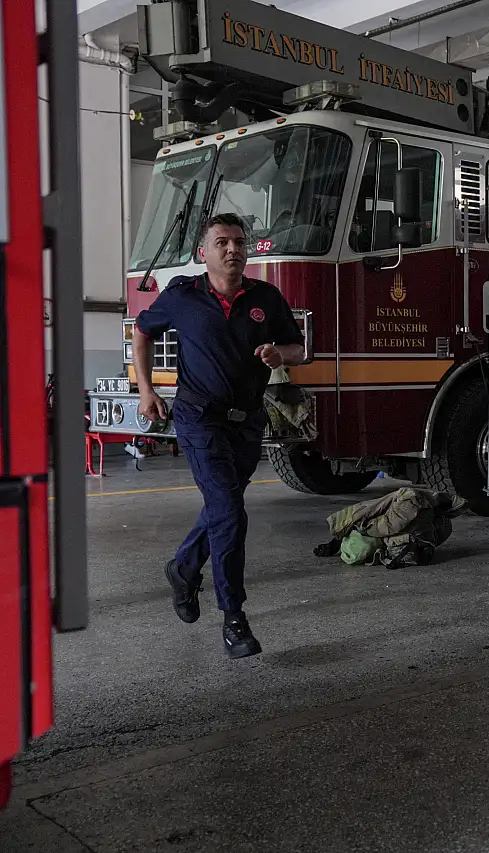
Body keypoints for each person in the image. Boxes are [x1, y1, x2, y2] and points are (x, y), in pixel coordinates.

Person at [133, 212, 306, 659]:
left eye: (239, 242)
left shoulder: (266, 297)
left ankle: (184, 568)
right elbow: (142, 331)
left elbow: (299, 348)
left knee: (222, 507)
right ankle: (233, 618)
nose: (233, 250)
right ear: (203, 252)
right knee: (229, 512)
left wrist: (280, 353)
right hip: (198, 417)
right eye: (222, 242)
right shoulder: (183, 296)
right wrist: (146, 390)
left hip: (247, 421)